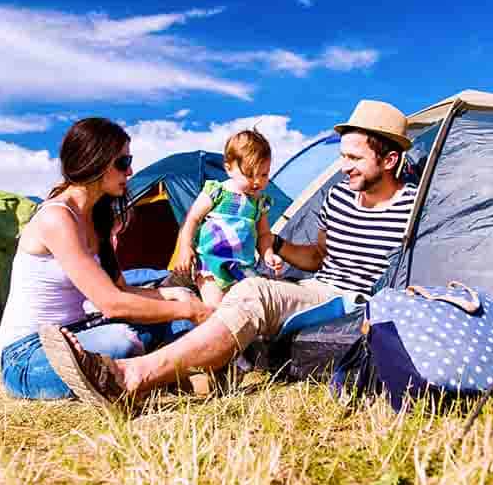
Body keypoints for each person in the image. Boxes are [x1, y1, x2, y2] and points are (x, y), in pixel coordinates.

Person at [39, 100, 417, 410]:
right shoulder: (337, 198)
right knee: (233, 289)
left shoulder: (413, 207)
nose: (343, 167)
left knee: (253, 292)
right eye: (342, 156)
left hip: (351, 300)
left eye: (354, 158)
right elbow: (319, 256)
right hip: (317, 284)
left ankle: (132, 376)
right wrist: (274, 246)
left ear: (388, 160)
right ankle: (204, 373)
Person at [0, 117, 213, 400]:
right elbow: (111, 303)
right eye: (123, 163)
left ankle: (147, 376)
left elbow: (122, 289)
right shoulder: (57, 217)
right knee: (122, 340)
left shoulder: (96, 216)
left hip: (80, 332)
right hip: (27, 354)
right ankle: (163, 376)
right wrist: (191, 311)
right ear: (95, 161)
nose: (131, 170)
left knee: (175, 306)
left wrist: (173, 295)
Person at [173, 128, 284, 307]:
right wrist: (185, 247)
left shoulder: (260, 203)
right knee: (216, 308)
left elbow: (263, 235)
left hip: (243, 266)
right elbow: (192, 218)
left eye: (264, 174)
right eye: (249, 174)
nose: (257, 181)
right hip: (211, 263)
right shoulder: (218, 192)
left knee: (248, 306)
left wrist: (268, 254)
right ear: (229, 168)